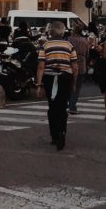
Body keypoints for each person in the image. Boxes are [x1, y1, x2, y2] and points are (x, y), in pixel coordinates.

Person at [35, 21, 78, 150]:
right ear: (63, 32)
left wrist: (38, 84)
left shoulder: (46, 45)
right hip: (65, 78)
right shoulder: (69, 45)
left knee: (52, 106)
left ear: (51, 32)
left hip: (49, 78)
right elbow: (75, 66)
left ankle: (54, 135)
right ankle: (62, 131)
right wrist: (74, 83)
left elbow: (41, 66)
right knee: (62, 106)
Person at [67, 27, 96, 115]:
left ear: (74, 31)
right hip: (81, 64)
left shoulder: (68, 40)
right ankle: (72, 106)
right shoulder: (84, 41)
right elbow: (87, 54)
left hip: (69, 64)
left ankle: (68, 104)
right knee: (77, 87)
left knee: (68, 85)